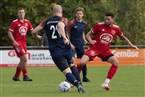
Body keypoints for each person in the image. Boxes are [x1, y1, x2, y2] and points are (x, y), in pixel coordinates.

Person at [77, 12, 138, 90]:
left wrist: (131, 45)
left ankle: (105, 83)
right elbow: (88, 34)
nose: (106, 21)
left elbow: (123, 37)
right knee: (81, 63)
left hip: (105, 51)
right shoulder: (98, 25)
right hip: (94, 48)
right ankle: (73, 80)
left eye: (108, 19)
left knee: (116, 62)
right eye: (105, 19)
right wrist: (91, 41)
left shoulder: (116, 28)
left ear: (112, 19)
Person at [32, 4, 85, 93]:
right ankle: (80, 85)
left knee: (67, 72)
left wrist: (37, 36)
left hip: (56, 51)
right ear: (61, 12)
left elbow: (34, 31)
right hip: (66, 49)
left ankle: (77, 84)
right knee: (72, 65)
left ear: (53, 12)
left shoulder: (46, 21)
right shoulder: (63, 19)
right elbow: (60, 25)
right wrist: (64, 37)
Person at [8, 7, 40, 81]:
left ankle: (16, 76)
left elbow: (32, 31)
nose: (21, 14)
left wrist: (37, 36)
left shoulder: (27, 22)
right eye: (20, 12)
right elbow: (9, 32)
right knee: (24, 59)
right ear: (17, 14)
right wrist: (14, 41)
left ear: (24, 13)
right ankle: (25, 76)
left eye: (22, 12)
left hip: (24, 44)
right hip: (17, 44)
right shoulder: (15, 22)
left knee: (23, 60)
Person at [67, 7, 90, 82]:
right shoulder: (72, 23)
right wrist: (70, 43)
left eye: (80, 14)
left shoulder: (84, 23)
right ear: (75, 15)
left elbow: (82, 32)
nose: (79, 15)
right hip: (73, 44)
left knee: (83, 61)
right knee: (71, 61)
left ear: (83, 15)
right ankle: (71, 77)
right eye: (78, 14)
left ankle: (85, 77)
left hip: (80, 45)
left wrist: (85, 40)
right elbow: (67, 33)